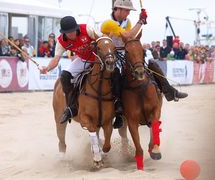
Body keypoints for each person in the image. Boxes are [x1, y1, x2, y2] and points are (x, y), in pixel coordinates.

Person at [101, 0, 188, 128]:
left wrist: (140, 23)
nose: (128, 13)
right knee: (116, 75)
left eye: (129, 11)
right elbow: (126, 34)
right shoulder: (108, 23)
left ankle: (169, 91)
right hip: (111, 55)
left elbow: (131, 38)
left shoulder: (127, 22)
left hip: (126, 51)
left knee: (151, 64)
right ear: (117, 9)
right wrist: (141, 21)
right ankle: (118, 109)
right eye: (127, 10)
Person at [39, 16, 122, 124]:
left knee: (116, 73)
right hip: (84, 60)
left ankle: (118, 105)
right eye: (69, 33)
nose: (72, 34)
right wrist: (47, 68)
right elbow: (56, 59)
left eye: (73, 31)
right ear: (64, 32)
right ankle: (71, 107)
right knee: (65, 76)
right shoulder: (61, 41)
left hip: (99, 57)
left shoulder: (87, 29)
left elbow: (103, 39)